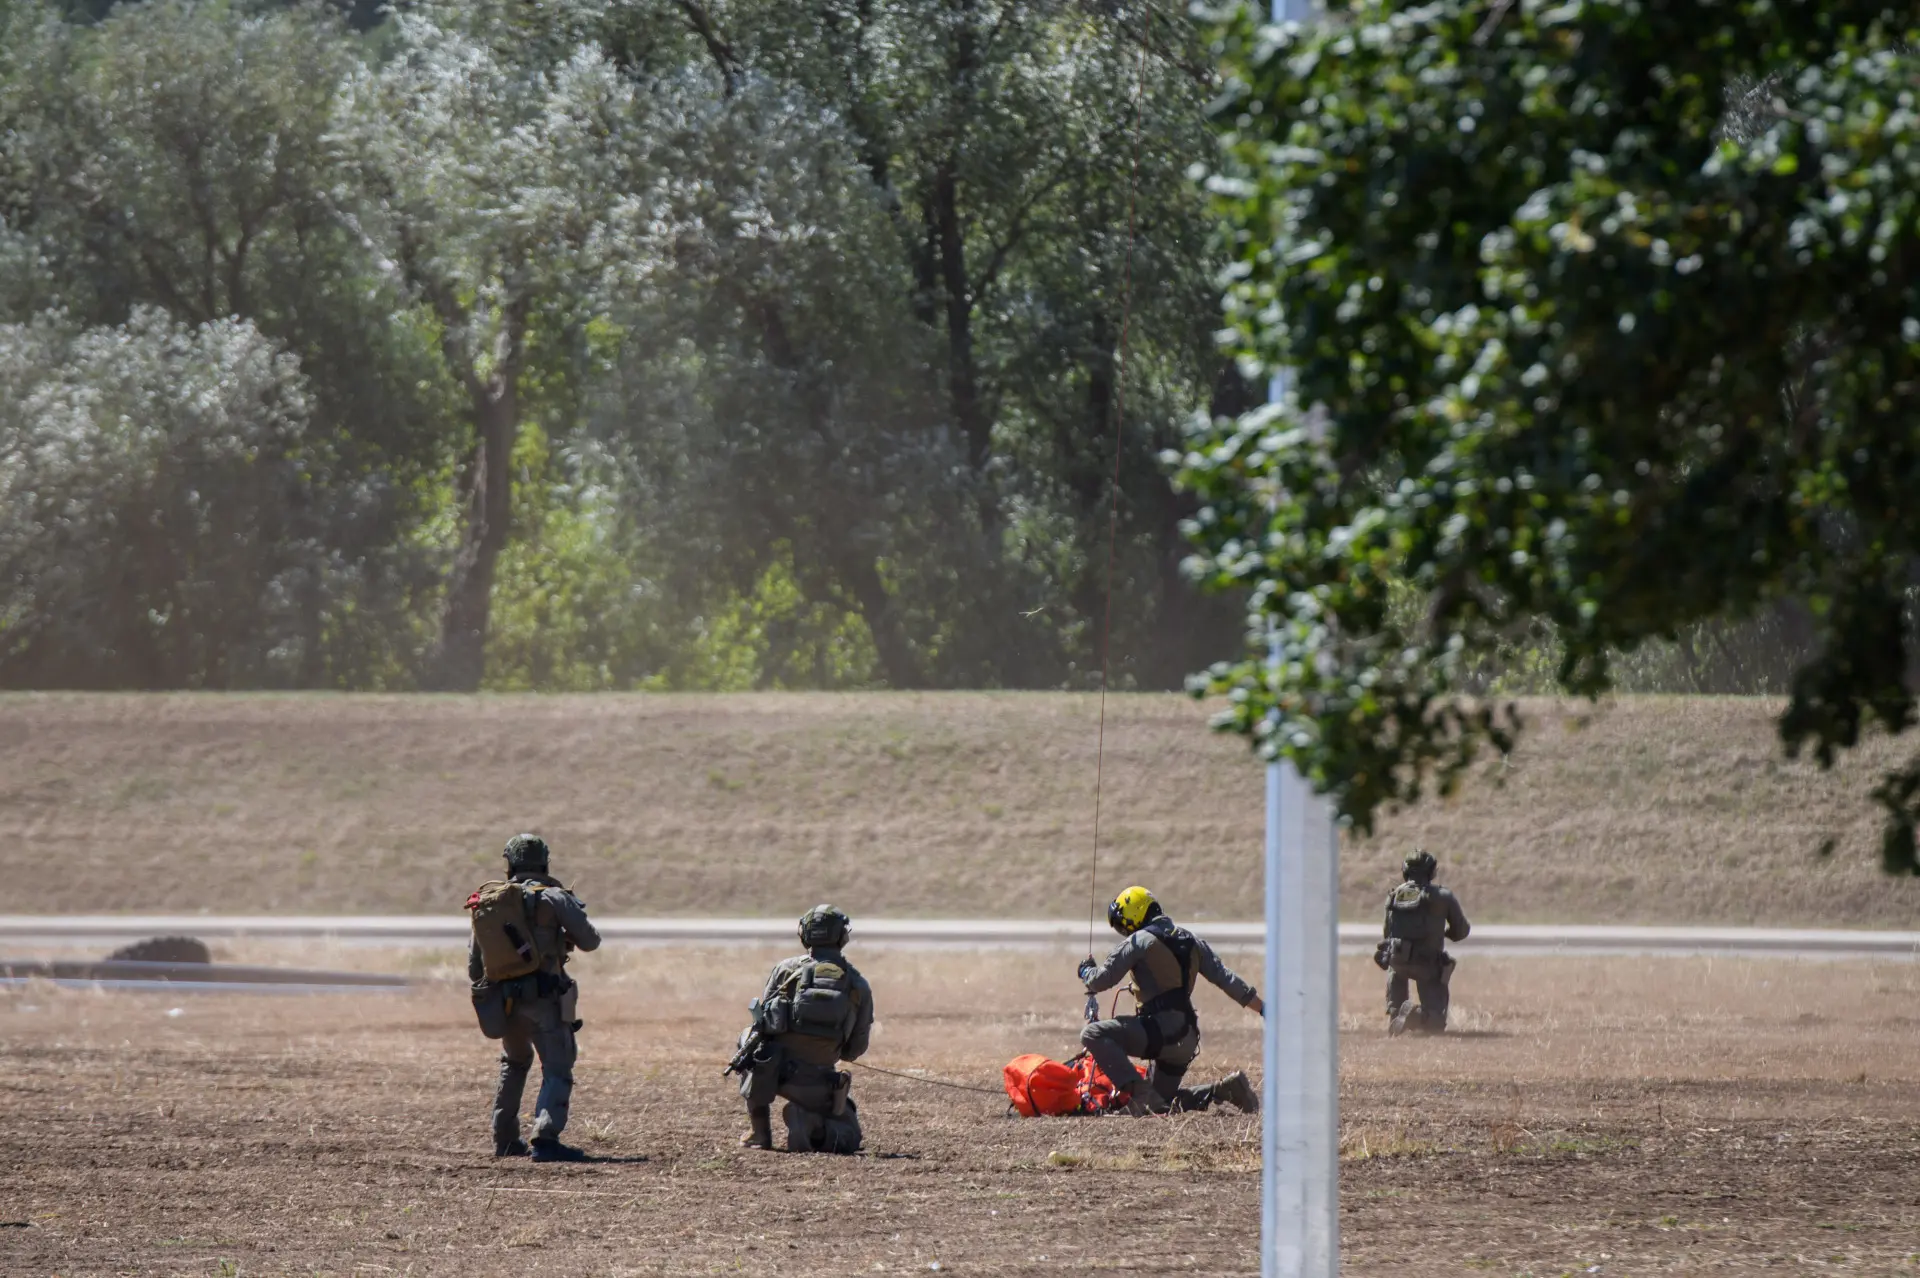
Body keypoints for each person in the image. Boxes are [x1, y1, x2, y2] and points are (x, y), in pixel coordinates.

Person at [467, 833, 601, 1161]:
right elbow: (590, 941)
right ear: (544, 863)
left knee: (514, 1063)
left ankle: (505, 1138)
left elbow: (475, 967)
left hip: (504, 1003)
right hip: (545, 999)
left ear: (509, 864)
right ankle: (545, 1138)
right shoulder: (554, 897)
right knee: (557, 1066)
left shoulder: (491, 904)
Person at [1078, 886, 1263, 1114]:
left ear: (1135, 913)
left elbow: (1100, 980)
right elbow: (1228, 980)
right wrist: (1264, 1009)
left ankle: (1140, 1092)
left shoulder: (1139, 941)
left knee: (1092, 1034)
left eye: (1122, 924)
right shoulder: (1192, 941)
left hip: (1159, 1032)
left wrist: (1086, 971)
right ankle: (1226, 1090)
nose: (1124, 931)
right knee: (1159, 1105)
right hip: (1186, 1036)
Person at [734, 904, 875, 1153]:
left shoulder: (784, 971)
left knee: (749, 1039)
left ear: (804, 935)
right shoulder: (857, 984)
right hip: (817, 1084)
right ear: (843, 936)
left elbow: (762, 1026)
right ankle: (811, 1124)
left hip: (773, 1073)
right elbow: (854, 1050)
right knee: (849, 1135)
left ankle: (759, 1132)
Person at [1374, 848, 1470, 1036]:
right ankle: (1413, 1015)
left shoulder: (1393, 896)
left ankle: (1396, 1013)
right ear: (1431, 872)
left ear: (1405, 871)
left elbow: (1387, 934)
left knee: (1395, 967)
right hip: (1427, 963)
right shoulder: (1442, 897)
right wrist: (1445, 933)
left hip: (1398, 961)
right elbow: (1461, 931)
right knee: (1435, 1024)